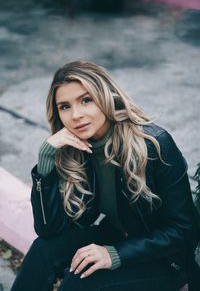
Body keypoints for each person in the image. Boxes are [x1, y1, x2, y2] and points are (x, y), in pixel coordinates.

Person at [11, 61, 200, 291]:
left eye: (86, 100)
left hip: (165, 259)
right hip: (118, 234)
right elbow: (48, 230)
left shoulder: (154, 145)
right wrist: (45, 164)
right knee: (44, 250)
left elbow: (183, 229)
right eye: (65, 106)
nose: (76, 115)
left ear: (106, 96)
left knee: (82, 280)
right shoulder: (77, 149)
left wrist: (115, 254)